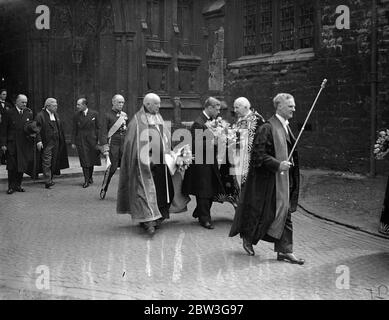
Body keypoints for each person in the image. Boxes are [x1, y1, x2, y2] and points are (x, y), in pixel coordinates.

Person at [229, 93, 304, 265]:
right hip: (267, 183)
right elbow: (258, 156)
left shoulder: (285, 127)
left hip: (282, 181)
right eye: (290, 106)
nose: (294, 108)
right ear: (279, 106)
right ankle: (248, 237)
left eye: (293, 105)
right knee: (262, 215)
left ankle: (285, 251)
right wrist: (278, 165)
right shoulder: (267, 128)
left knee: (284, 214)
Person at [117, 93, 174, 235]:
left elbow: (164, 137)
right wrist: (147, 159)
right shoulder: (137, 121)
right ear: (148, 104)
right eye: (157, 104)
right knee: (145, 193)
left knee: (162, 191)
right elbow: (133, 145)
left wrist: (169, 153)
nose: (159, 107)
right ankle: (148, 221)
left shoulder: (158, 116)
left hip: (161, 162)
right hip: (145, 165)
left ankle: (158, 216)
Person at [182, 97, 225, 229]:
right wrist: (214, 142)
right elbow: (196, 145)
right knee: (204, 191)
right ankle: (204, 218)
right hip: (201, 163)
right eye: (216, 109)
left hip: (209, 160)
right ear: (210, 108)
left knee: (211, 189)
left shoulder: (212, 121)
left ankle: (200, 211)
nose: (218, 112)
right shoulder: (199, 123)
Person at [216, 97, 265, 207]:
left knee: (249, 187)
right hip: (237, 158)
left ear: (246, 107)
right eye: (234, 107)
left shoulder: (256, 120)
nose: (235, 110)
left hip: (249, 160)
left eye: (237, 107)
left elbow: (260, 140)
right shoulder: (241, 119)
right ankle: (239, 209)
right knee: (236, 185)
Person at [0, 94, 35, 194]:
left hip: (24, 144)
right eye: (22, 102)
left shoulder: (28, 113)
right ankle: (11, 186)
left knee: (21, 165)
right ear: (17, 102)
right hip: (12, 144)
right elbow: (3, 130)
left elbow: (30, 128)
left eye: (25, 102)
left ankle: (18, 185)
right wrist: (3, 144)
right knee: (12, 166)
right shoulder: (9, 112)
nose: (24, 104)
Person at [99, 94, 128, 199]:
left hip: (123, 145)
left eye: (122, 102)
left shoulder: (124, 115)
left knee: (127, 169)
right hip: (113, 145)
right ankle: (104, 188)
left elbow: (126, 131)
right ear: (113, 102)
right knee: (112, 168)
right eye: (119, 102)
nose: (121, 104)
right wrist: (105, 148)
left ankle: (125, 193)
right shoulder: (107, 115)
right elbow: (103, 132)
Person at [35, 98, 69, 189]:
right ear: (48, 106)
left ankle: (50, 178)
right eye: (54, 106)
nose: (56, 107)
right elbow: (37, 130)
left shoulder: (56, 115)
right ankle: (47, 180)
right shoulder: (40, 115)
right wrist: (39, 141)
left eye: (56, 105)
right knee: (47, 161)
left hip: (57, 142)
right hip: (47, 143)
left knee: (54, 160)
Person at [71, 98, 101, 188]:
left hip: (92, 140)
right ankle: (86, 180)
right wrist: (73, 142)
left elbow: (98, 128)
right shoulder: (76, 115)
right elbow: (74, 129)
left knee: (91, 159)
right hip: (81, 140)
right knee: (84, 160)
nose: (77, 106)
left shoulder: (94, 114)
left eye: (78, 105)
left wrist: (99, 140)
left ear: (84, 105)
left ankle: (90, 177)